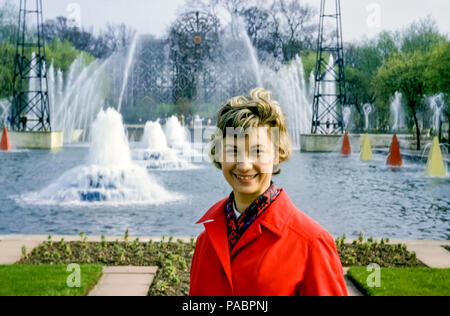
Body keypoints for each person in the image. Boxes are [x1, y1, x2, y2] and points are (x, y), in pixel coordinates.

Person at [189, 88, 348, 296]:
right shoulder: (205, 241)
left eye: (257, 151)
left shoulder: (312, 244)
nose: (244, 165)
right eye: (233, 151)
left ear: (277, 154)